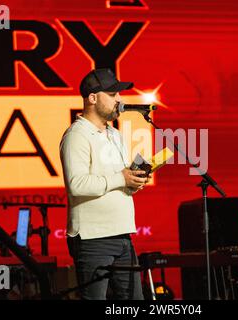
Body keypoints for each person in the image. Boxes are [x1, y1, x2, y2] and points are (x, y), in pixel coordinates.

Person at [59, 68, 150, 300]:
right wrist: (122, 178)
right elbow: (76, 184)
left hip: (122, 234)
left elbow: (115, 181)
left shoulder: (115, 135)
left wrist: (133, 181)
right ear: (92, 98)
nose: (119, 99)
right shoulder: (77, 135)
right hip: (93, 239)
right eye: (112, 94)